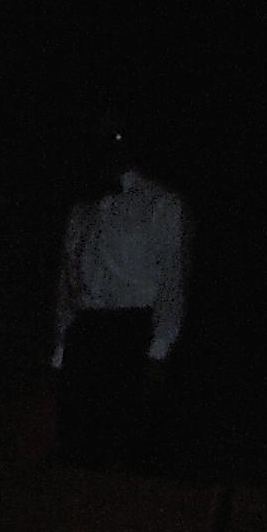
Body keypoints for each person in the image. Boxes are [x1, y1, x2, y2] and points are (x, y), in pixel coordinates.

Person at [50, 127, 186, 471]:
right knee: (77, 443)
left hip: (132, 327)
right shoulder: (81, 211)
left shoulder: (160, 203)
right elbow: (67, 285)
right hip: (87, 329)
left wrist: (159, 351)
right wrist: (60, 350)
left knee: (123, 445)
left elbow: (171, 281)